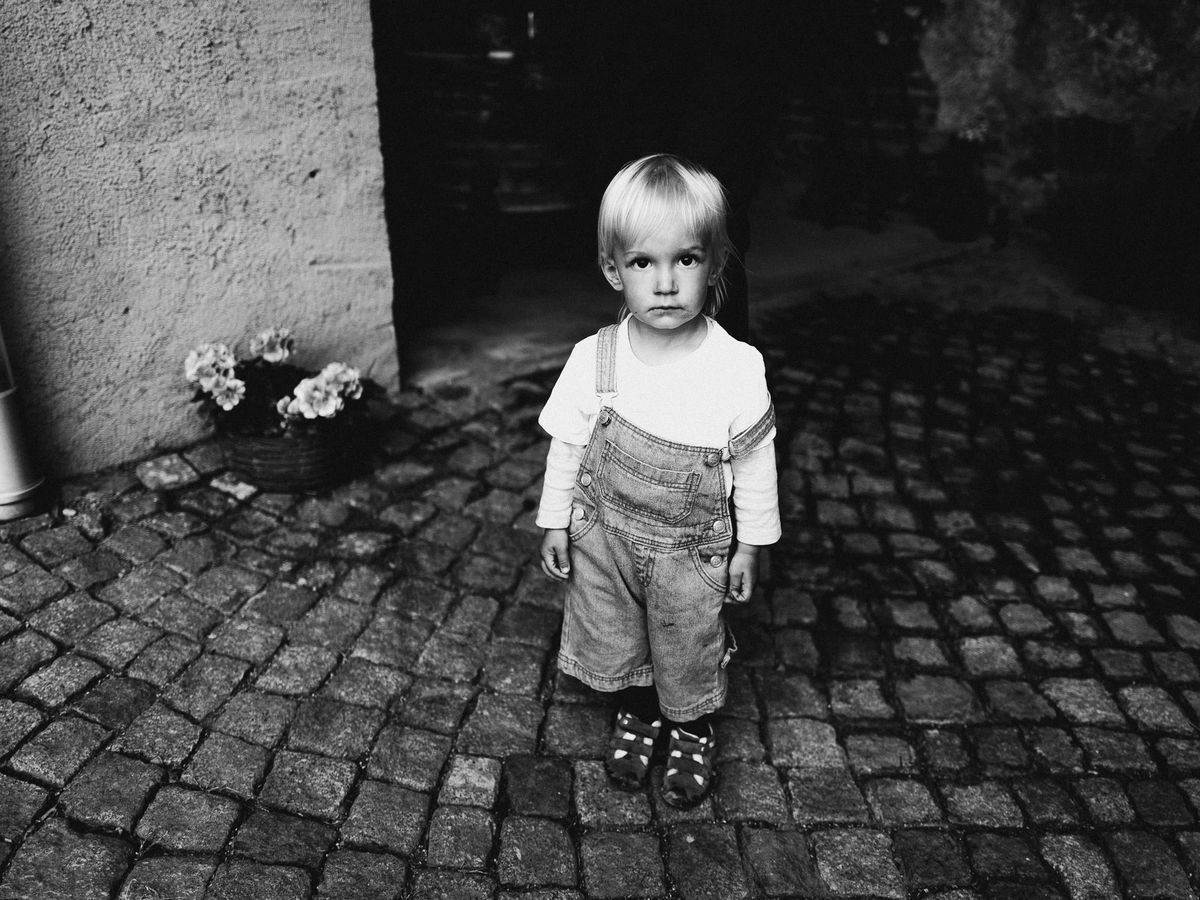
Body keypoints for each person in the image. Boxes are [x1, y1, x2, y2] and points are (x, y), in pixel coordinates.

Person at [536, 155, 781, 808]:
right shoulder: (597, 359)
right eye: (645, 263)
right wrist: (555, 518)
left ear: (715, 264)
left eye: (687, 260)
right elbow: (569, 444)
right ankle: (638, 710)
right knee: (618, 634)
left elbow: (756, 466)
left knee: (686, 641)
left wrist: (750, 546)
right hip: (607, 539)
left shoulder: (734, 368)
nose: (666, 283)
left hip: (688, 553)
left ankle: (691, 725)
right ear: (615, 269)